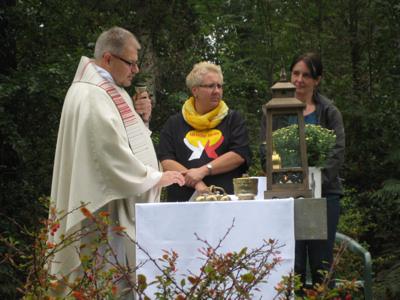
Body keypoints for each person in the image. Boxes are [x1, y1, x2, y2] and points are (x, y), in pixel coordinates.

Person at [48, 26, 185, 297]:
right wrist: (155, 177)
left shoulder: (112, 90)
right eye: (131, 63)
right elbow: (108, 155)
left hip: (119, 204)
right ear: (108, 58)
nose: (135, 70)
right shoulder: (90, 95)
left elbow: (126, 141)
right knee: (104, 281)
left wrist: (143, 119)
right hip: (103, 210)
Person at [260, 53, 345, 287]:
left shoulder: (328, 112)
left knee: (321, 265)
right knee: (290, 262)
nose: (299, 79)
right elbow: (264, 151)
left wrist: (312, 184)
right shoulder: (272, 110)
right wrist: (282, 179)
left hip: (324, 196)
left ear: (317, 80)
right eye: (296, 73)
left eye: (306, 75)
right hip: (285, 197)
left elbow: (337, 152)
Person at [158, 61, 251, 201]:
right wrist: (197, 182)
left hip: (226, 200)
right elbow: (166, 160)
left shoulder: (233, 119)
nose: (217, 91)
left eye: (219, 86)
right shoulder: (174, 123)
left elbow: (239, 154)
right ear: (195, 90)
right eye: (210, 86)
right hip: (182, 203)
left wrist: (203, 170)